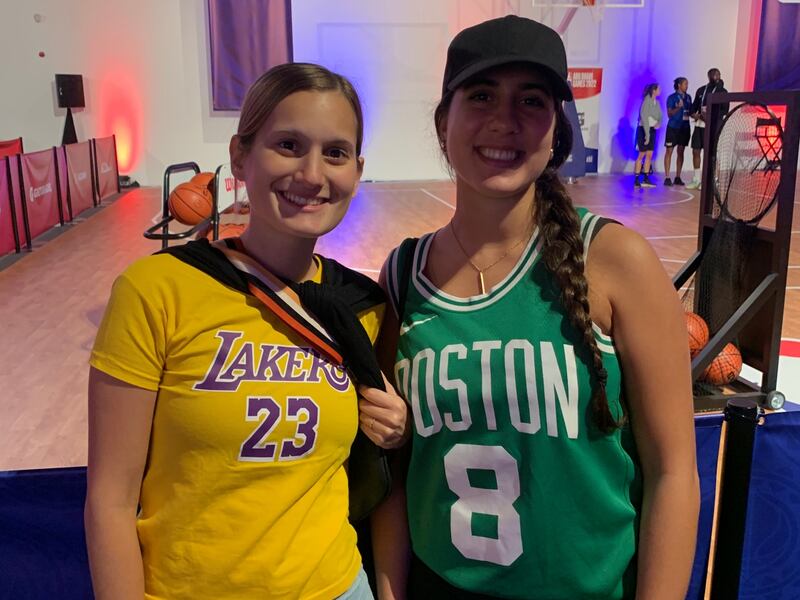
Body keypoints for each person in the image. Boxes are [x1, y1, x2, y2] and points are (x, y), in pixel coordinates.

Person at [365, 15, 699, 600]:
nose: (504, 120)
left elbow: (674, 473)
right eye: (482, 96)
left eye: (531, 100)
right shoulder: (402, 274)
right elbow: (395, 465)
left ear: (556, 130)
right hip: (440, 584)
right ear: (444, 121)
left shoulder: (617, 260)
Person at [84, 63, 408, 600]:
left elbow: (381, 481)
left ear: (357, 169)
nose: (312, 173)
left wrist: (395, 432)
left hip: (335, 587)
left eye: (335, 152)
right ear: (240, 155)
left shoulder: (365, 306)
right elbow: (109, 500)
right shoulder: (156, 289)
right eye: (288, 144)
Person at [687, 68, 728, 190]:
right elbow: (693, 107)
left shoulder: (723, 92)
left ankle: (712, 179)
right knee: (695, 151)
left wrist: (710, 117)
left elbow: (724, 111)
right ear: (709, 76)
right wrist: (693, 114)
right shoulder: (701, 90)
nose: (716, 77)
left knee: (710, 153)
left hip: (712, 126)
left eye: (718, 75)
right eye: (714, 75)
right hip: (699, 124)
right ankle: (696, 179)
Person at [663, 77, 692, 186]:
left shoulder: (688, 97)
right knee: (669, 151)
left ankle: (678, 177)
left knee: (681, 151)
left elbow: (690, 111)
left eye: (687, 84)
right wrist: (678, 107)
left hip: (684, 128)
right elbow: (669, 114)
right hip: (673, 127)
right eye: (685, 84)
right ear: (679, 85)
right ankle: (667, 177)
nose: (687, 86)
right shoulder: (672, 97)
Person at [634, 83, 662, 188]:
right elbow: (644, 119)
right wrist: (647, 134)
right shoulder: (646, 102)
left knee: (649, 155)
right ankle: (637, 178)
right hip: (644, 130)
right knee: (641, 154)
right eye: (658, 89)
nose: (660, 90)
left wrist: (658, 123)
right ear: (653, 90)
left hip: (652, 130)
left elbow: (660, 116)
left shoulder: (657, 103)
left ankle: (646, 177)